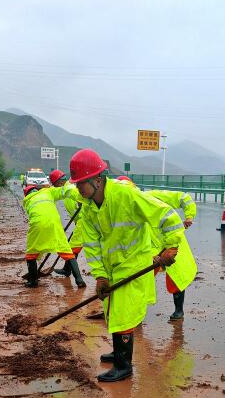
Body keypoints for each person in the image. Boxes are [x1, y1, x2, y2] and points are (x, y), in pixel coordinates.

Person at [70, 149, 184, 382]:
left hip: (134, 262)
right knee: (112, 308)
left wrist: (171, 245)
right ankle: (118, 352)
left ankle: (124, 366)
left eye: (81, 183)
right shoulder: (89, 207)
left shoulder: (126, 194)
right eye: (77, 183)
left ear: (97, 180)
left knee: (123, 312)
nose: (78, 188)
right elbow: (92, 245)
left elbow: (166, 215)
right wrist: (100, 276)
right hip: (112, 267)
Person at [116, 176, 197, 320]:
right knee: (139, 279)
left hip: (171, 244)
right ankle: (133, 312)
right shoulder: (121, 209)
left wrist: (189, 216)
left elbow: (183, 197)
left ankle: (179, 311)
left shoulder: (152, 196)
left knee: (176, 278)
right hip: (149, 251)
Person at [22, 184, 84, 288]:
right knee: (67, 252)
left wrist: (41, 251)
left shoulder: (27, 201)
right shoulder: (47, 191)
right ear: (37, 190)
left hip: (38, 225)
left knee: (31, 254)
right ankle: (79, 280)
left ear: (27, 195)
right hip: (55, 224)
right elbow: (65, 191)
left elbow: (36, 218)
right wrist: (80, 197)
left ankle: (33, 281)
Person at [48, 169, 87, 288]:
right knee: (72, 246)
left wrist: (81, 201)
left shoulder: (68, 190)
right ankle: (67, 269)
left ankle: (76, 277)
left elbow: (81, 201)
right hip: (80, 221)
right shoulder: (67, 189)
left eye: (54, 185)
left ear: (58, 182)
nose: (54, 187)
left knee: (73, 248)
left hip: (84, 221)